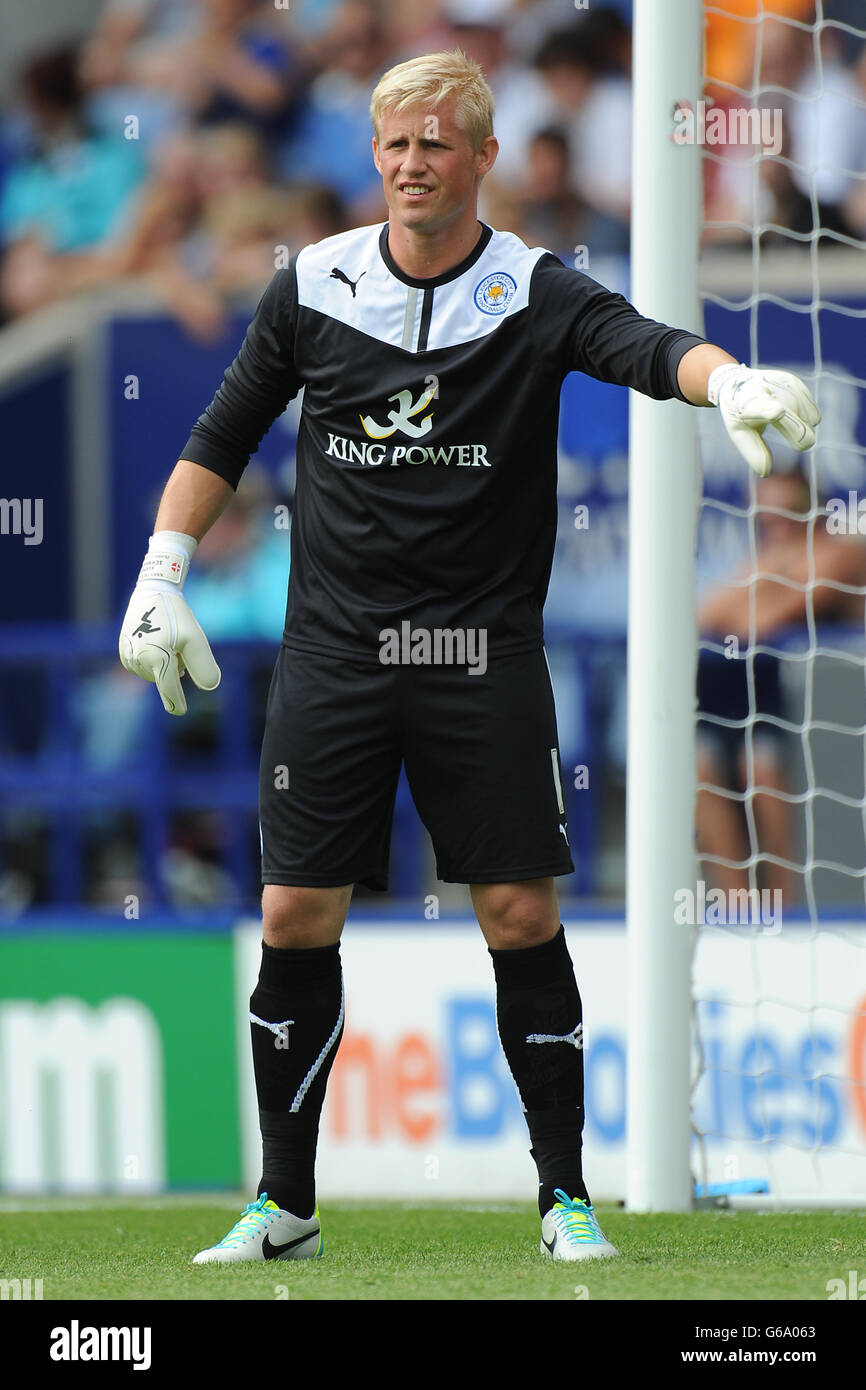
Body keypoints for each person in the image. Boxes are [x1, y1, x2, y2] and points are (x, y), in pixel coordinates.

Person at [118, 50, 820, 1263]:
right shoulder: (313, 284)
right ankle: (284, 1203)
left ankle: (562, 1197)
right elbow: (221, 430)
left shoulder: (534, 290)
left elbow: (648, 347)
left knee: (513, 911)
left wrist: (735, 381)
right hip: (332, 652)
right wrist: (163, 569)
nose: (408, 165)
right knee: (291, 913)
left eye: (434, 144)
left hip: (478, 656)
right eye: (392, 145)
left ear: (483, 157)